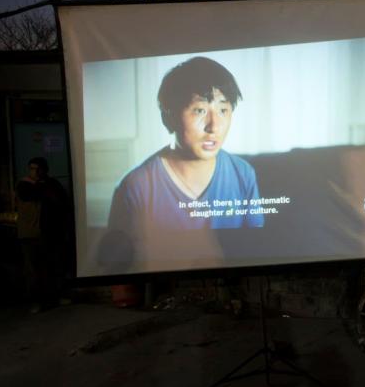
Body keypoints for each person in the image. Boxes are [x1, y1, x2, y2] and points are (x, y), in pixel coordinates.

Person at [104, 58, 263, 267]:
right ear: (168, 116)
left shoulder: (243, 174)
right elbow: (117, 265)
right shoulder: (136, 186)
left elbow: (257, 249)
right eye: (199, 110)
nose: (213, 126)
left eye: (223, 110)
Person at [15, 157, 70, 312]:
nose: (35, 172)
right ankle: (36, 301)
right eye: (32, 168)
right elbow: (35, 194)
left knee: (52, 267)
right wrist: (45, 186)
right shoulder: (23, 185)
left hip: (49, 233)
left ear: (45, 170)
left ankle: (55, 297)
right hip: (29, 234)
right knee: (33, 270)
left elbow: (61, 201)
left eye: (38, 169)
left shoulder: (52, 184)